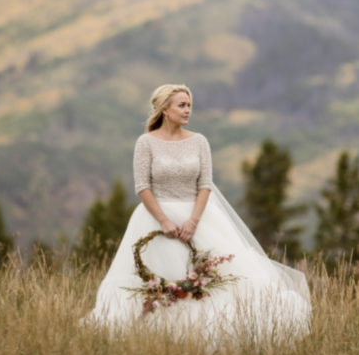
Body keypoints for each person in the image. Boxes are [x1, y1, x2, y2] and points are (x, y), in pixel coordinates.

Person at [84, 84, 311, 341]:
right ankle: (156, 336)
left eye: (189, 105)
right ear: (164, 109)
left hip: (199, 217)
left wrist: (193, 221)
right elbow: (142, 186)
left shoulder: (199, 141)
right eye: (181, 105)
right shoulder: (146, 143)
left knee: (217, 278)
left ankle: (208, 335)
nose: (188, 110)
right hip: (156, 220)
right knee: (162, 277)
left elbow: (205, 184)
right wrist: (164, 220)